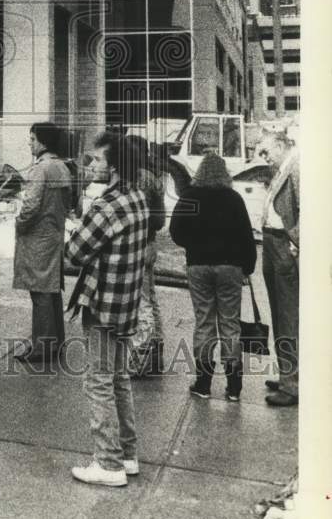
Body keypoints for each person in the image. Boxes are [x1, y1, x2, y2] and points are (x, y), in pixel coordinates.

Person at [65, 130, 149, 488]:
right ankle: (126, 455)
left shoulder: (107, 207)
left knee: (98, 383)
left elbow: (74, 253)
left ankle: (108, 463)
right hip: (126, 303)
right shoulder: (138, 198)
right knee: (118, 379)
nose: (91, 164)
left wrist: (77, 227)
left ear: (113, 166)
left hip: (102, 305)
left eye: (97, 159)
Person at [169, 152, 257, 402]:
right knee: (230, 324)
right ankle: (233, 387)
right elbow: (245, 236)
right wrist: (247, 267)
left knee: (204, 322)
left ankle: (204, 383)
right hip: (230, 267)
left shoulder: (190, 196)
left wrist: (194, 246)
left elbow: (176, 231)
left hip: (199, 266)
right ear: (224, 173)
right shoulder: (234, 199)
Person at [12, 122, 73, 367]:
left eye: (33, 138)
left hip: (37, 238)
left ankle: (42, 346)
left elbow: (31, 205)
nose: (30, 142)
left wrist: (19, 224)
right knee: (51, 291)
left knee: (40, 294)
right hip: (54, 234)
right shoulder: (62, 167)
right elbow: (69, 204)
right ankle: (56, 340)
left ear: (43, 142)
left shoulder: (41, 169)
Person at [257, 129, 299, 407]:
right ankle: (288, 374)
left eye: (266, 150)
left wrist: (298, 244)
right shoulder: (286, 167)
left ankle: (291, 383)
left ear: (281, 145)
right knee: (280, 315)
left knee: (287, 317)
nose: (263, 155)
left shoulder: (297, 167)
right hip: (274, 244)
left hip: (283, 245)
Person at [125, 135, 166, 377]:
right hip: (150, 242)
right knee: (150, 298)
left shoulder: (135, 179)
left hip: (137, 244)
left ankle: (142, 359)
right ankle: (155, 352)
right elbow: (160, 219)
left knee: (141, 303)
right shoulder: (153, 177)